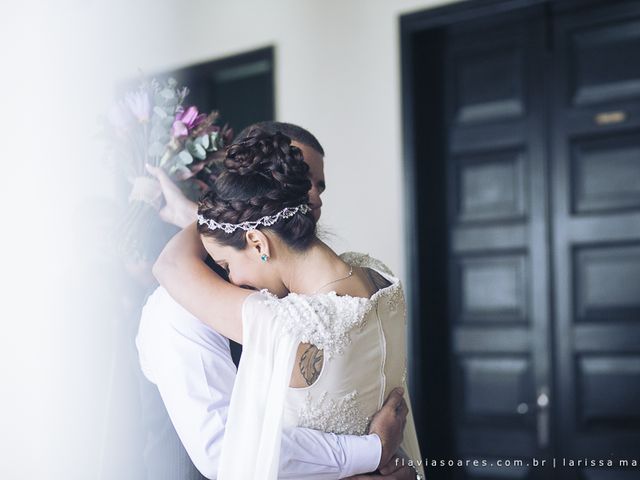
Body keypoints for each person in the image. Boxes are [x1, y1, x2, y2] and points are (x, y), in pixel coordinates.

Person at [138, 122, 419, 479]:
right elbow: (226, 451)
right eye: (296, 182)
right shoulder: (179, 308)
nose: (312, 198)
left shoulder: (305, 305)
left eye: (315, 185)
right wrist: (374, 450)